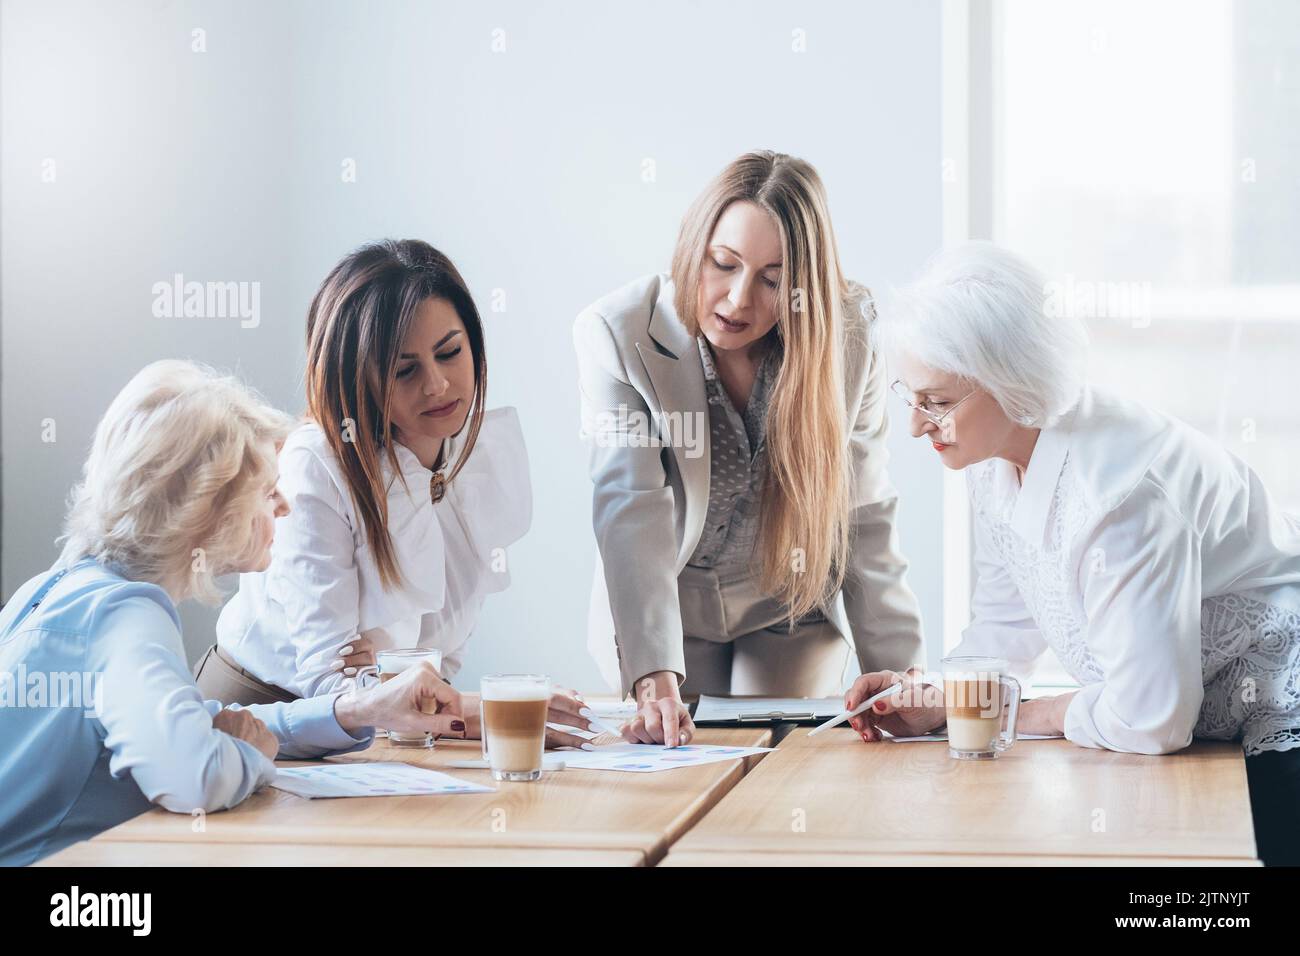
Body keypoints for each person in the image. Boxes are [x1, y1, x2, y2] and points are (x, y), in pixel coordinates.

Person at [845, 241, 1300, 866]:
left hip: (1278, 713)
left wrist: (1020, 714)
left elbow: (1150, 719)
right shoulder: (998, 459)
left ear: (1009, 382)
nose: (917, 425)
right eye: (911, 396)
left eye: (938, 402)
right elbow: (1004, 630)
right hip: (1204, 727)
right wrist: (936, 702)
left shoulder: (1119, 497)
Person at [0, 360, 464, 867]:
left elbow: (212, 725)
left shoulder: (56, 589)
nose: (284, 509)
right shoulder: (127, 615)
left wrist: (358, 710)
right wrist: (251, 756)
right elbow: (194, 776)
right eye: (267, 493)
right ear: (209, 508)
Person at [575, 151, 923, 746]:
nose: (737, 300)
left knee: (785, 769)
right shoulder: (618, 332)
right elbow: (630, 509)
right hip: (671, 603)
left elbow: (863, 510)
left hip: (789, 600)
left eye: (771, 279)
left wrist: (905, 680)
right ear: (696, 245)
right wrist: (655, 684)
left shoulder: (852, 334)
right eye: (724, 264)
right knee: (674, 763)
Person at [199, 240, 595, 747]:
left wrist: (422, 693)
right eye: (404, 370)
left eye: (450, 352)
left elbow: (437, 663)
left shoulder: (470, 456)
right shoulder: (316, 464)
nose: (437, 385)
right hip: (262, 719)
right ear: (355, 376)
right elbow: (329, 686)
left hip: (376, 732)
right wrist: (497, 711)